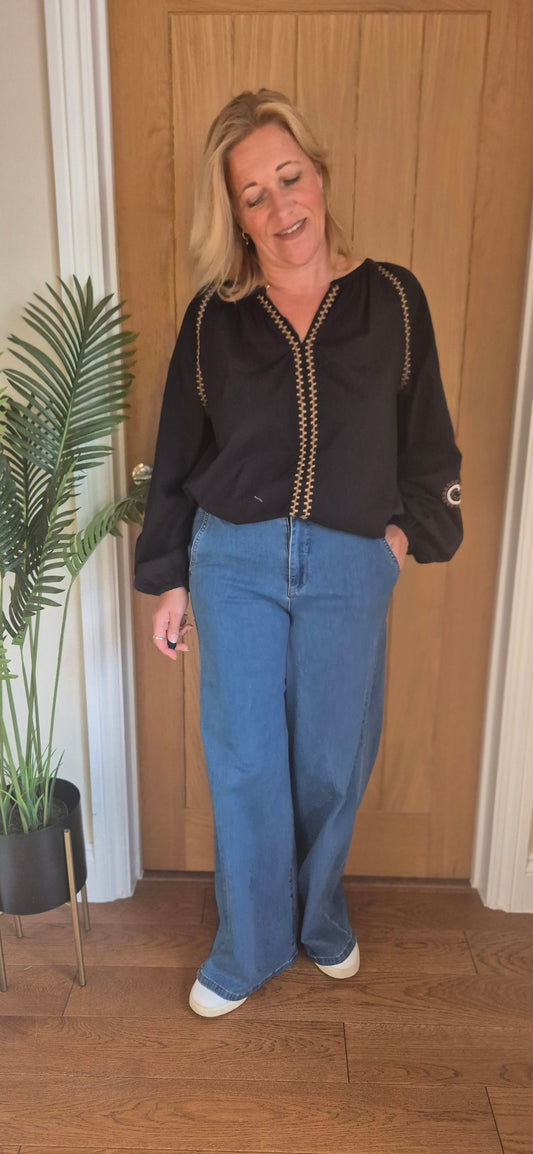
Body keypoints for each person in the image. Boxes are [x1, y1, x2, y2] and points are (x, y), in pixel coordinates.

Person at [134, 89, 463, 1019]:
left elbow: (427, 440)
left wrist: (402, 536)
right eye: (253, 194)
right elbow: (179, 451)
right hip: (232, 563)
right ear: (235, 215)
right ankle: (248, 946)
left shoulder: (393, 300)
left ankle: (317, 918)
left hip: (350, 562)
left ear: (318, 173)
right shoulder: (214, 318)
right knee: (243, 760)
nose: (280, 207)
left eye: (289, 177)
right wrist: (166, 580)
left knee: (331, 761)